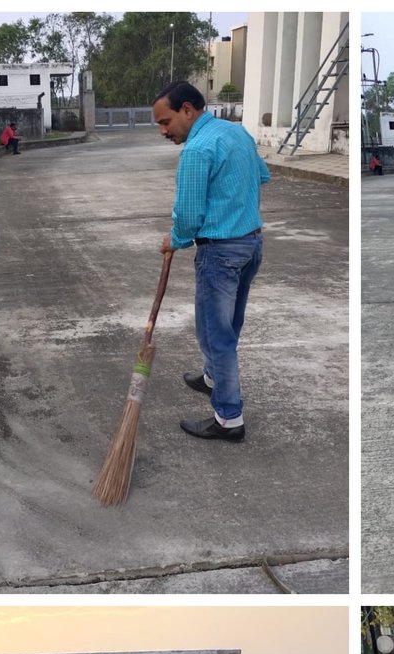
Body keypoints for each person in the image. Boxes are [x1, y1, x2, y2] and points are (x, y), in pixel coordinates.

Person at [153, 81, 271, 444]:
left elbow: (188, 216)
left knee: (215, 333)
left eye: (165, 121)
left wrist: (173, 239)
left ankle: (229, 418)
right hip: (250, 244)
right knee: (227, 324)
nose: (163, 131)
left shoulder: (197, 150)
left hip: (220, 252)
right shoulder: (236, 133)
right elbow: (263, 175)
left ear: (187, 110)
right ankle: (211, 378)